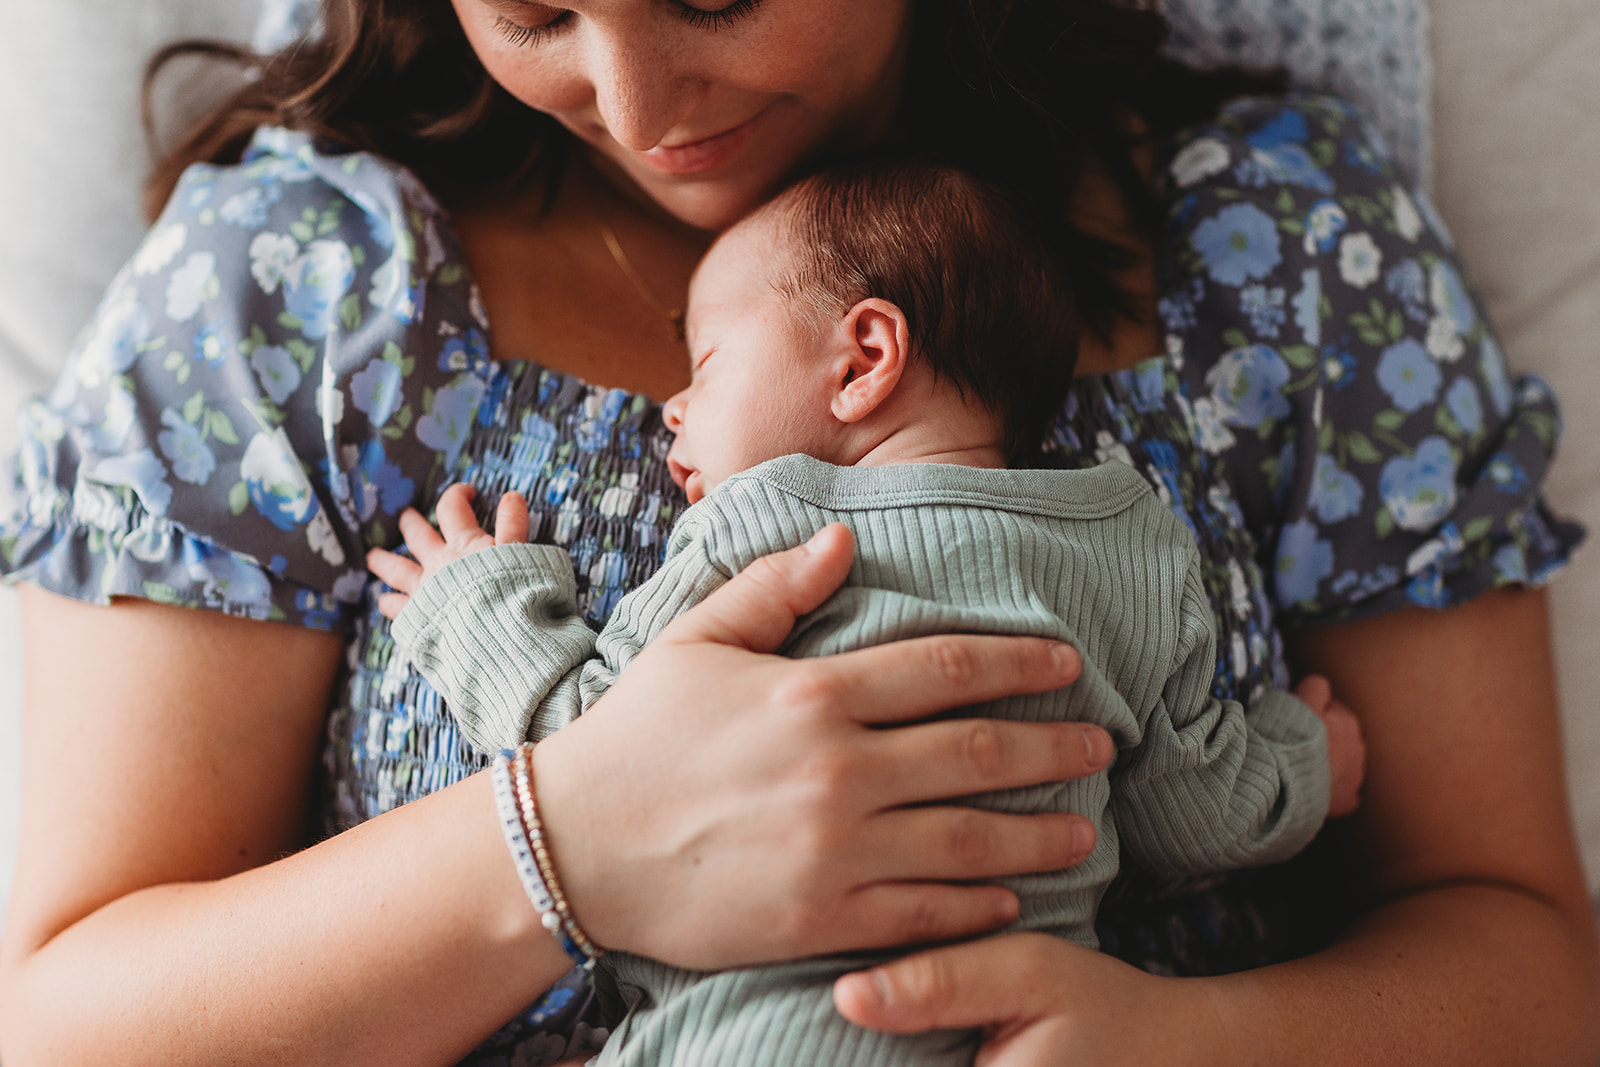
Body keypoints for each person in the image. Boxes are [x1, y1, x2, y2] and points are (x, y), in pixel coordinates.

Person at [0, 1, 1594, 1064]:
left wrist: (1188, 1042)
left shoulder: (1272, 248)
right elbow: (68, 1015)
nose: (637, 104)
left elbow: (1528, 965)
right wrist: (563, 842)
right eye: (539, 10)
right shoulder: (302, 291)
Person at [368, 159, 1366, 1066]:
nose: (672, 405)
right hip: (1011, 1027)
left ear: (862, 360)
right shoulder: (1128, 544)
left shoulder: (760, 523)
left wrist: (473, 602)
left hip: (754, 1035)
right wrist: (1307, 759)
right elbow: (1191, 811)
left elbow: (590, 741)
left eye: (706, 363)